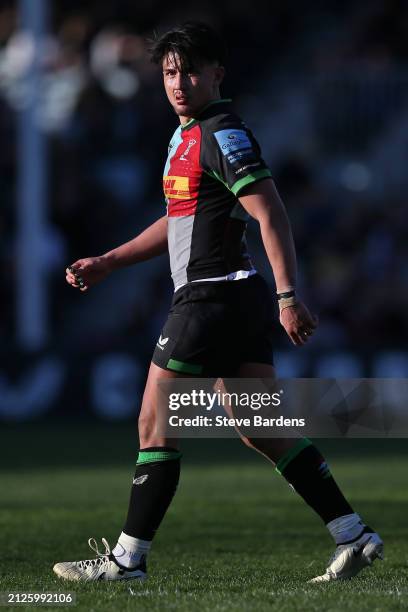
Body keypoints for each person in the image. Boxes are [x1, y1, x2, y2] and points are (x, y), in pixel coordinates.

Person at [54, 22, 383, 583]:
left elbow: (269, 211)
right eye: (168, 73)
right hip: (229, 298)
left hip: (212, 296)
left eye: (189, 72)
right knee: (259, 426)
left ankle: (127, 561)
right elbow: (177, 220)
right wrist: (109, 262)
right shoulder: (186, 136)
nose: (178, 83)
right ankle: (353, 535)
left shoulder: (222, 132)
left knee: (152, 423)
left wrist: (288, 295)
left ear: (216, 75)